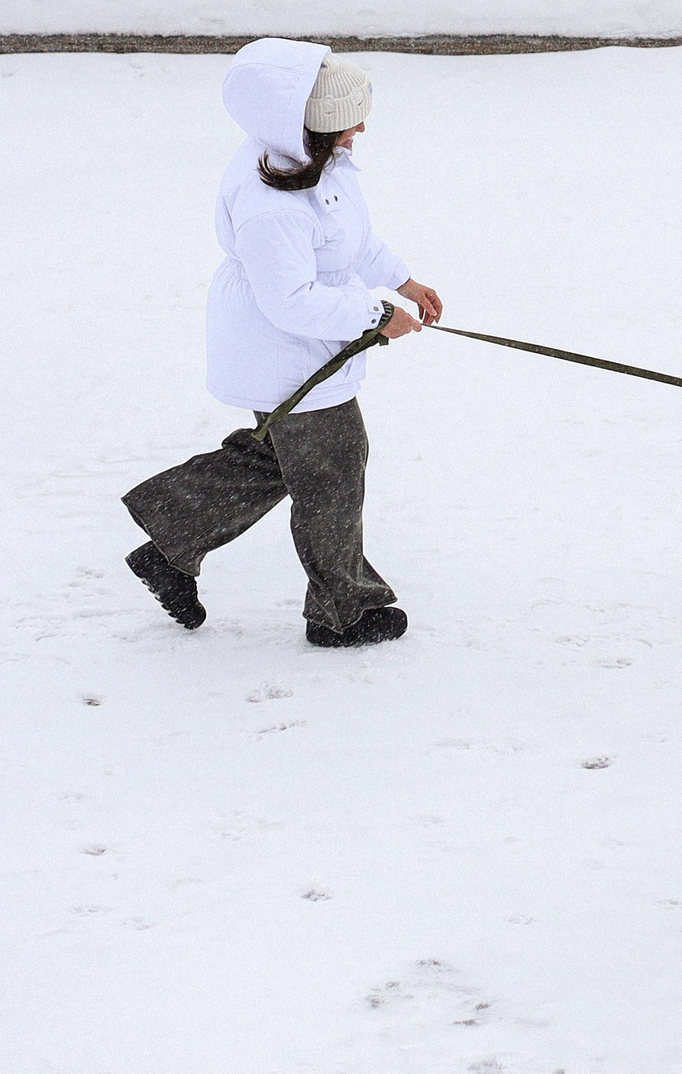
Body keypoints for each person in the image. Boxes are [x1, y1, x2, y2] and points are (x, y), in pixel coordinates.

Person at [122, 38, 442, 646]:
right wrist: (376, 315)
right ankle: (343, 611)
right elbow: (290, 301)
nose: (364, 127)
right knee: (333, 472)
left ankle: (172, 535)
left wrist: (400, 278)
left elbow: (347, 238)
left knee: (279, 457)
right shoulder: (272, 203)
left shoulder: (315, 166)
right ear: (313, 127)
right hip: (286, 354)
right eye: (352, 119)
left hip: (303, 351)